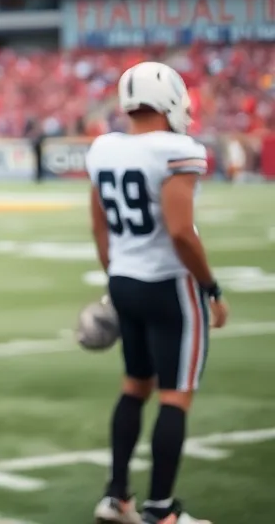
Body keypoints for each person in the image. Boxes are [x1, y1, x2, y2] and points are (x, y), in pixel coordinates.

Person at [84, 61, 226, 524]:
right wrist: (210, 287)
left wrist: (115, 277)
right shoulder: (176, 149)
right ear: (167, 99)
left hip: (124, 280)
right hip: (170, 284)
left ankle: (116, 495)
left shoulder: (104, 148)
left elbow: (99, 226)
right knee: (174, 396)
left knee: (133, 388)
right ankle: (161, 512)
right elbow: (182, 232)